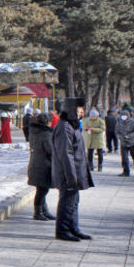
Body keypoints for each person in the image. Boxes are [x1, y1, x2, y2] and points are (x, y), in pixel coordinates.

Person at [51, 99, 93, 241]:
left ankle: (73, 228)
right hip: (67, 173)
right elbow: (65, 153)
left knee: (74, 201)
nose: (82, 112)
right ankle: (62, 230)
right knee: (67, 201)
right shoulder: (64, 127)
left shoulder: (72, 125)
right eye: (79, 109)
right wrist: (71, 176)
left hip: (75, 171)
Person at [26, 112, 55, 221]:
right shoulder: (46, 134)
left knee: (42, 188)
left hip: (35, 163)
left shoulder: (33, 132)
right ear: (48, 122)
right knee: (43, 190)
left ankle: (44, 210)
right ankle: (37, 212)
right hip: (43, 165)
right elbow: (50, 150)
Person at [116, 109, 134, 177]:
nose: (124, 116)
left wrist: (129, 136)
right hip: (124, 143)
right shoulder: (119, 123)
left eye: (125, 115)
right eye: (122, 115)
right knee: (124, 158)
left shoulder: (133, 122)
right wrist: (121, 137)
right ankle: (126, 171)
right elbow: (117, 132)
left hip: (133, 143)